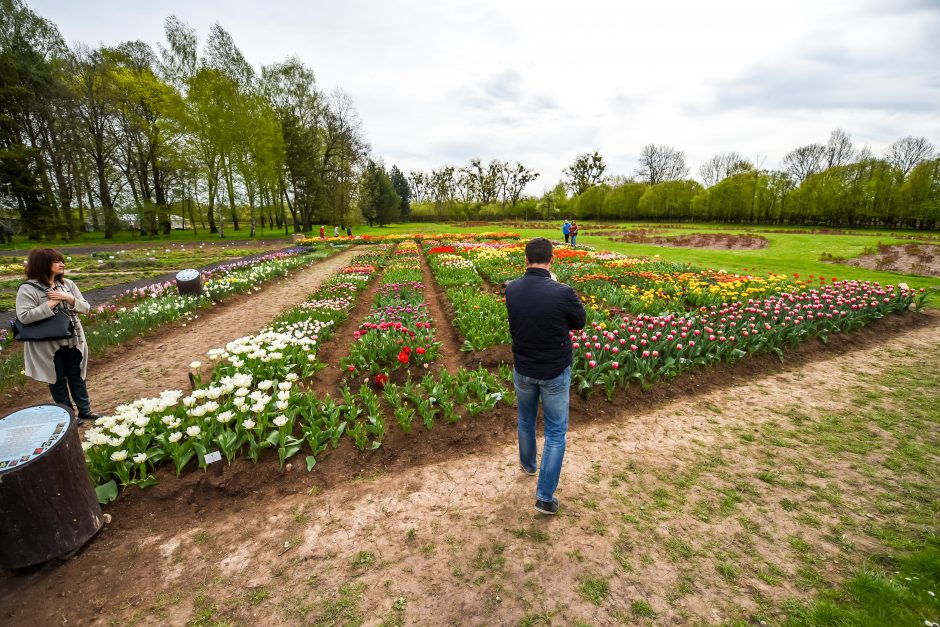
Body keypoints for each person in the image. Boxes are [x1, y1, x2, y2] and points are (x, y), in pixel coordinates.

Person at [505, 237, 586, 515]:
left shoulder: (512, 289)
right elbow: (580, 322)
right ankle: (544, 497)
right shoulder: (562, 292)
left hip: (524, 369)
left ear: (525, 260)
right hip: (554, 372)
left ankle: (528, 465)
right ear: (552, 260)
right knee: (555, 432)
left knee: (526, 419)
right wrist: (557, 284)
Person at [15, 248, 100, 424]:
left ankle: (85, 411)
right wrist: (53, 302)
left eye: (61, 261)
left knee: (76, 375)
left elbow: (86, 308)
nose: (62, 264)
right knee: (57, 379)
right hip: (48, 345)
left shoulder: (67, 285)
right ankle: (68, 416)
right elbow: (24, 316)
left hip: (73, 340)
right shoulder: (27, 289)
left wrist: (67, 298)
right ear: (43, 264)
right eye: (57, 261)